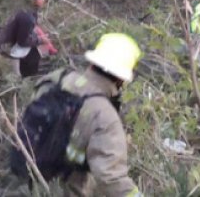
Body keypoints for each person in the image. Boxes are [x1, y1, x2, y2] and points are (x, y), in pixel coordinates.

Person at [28, 33, 143, 196]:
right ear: (120, 79)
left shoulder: (56, 79)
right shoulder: (105, 116)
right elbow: (111, 179)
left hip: (24, 180)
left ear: (92, 63)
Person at [0, 0, 56, 78]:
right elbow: (22, 41)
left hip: (12, 42)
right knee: (34, 57)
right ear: (33, 0)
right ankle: (26, 77)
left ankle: (28, 74)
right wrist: (40, 40)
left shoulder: (27, 11)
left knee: (36, 53)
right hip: (9, 48)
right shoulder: (27, 17)